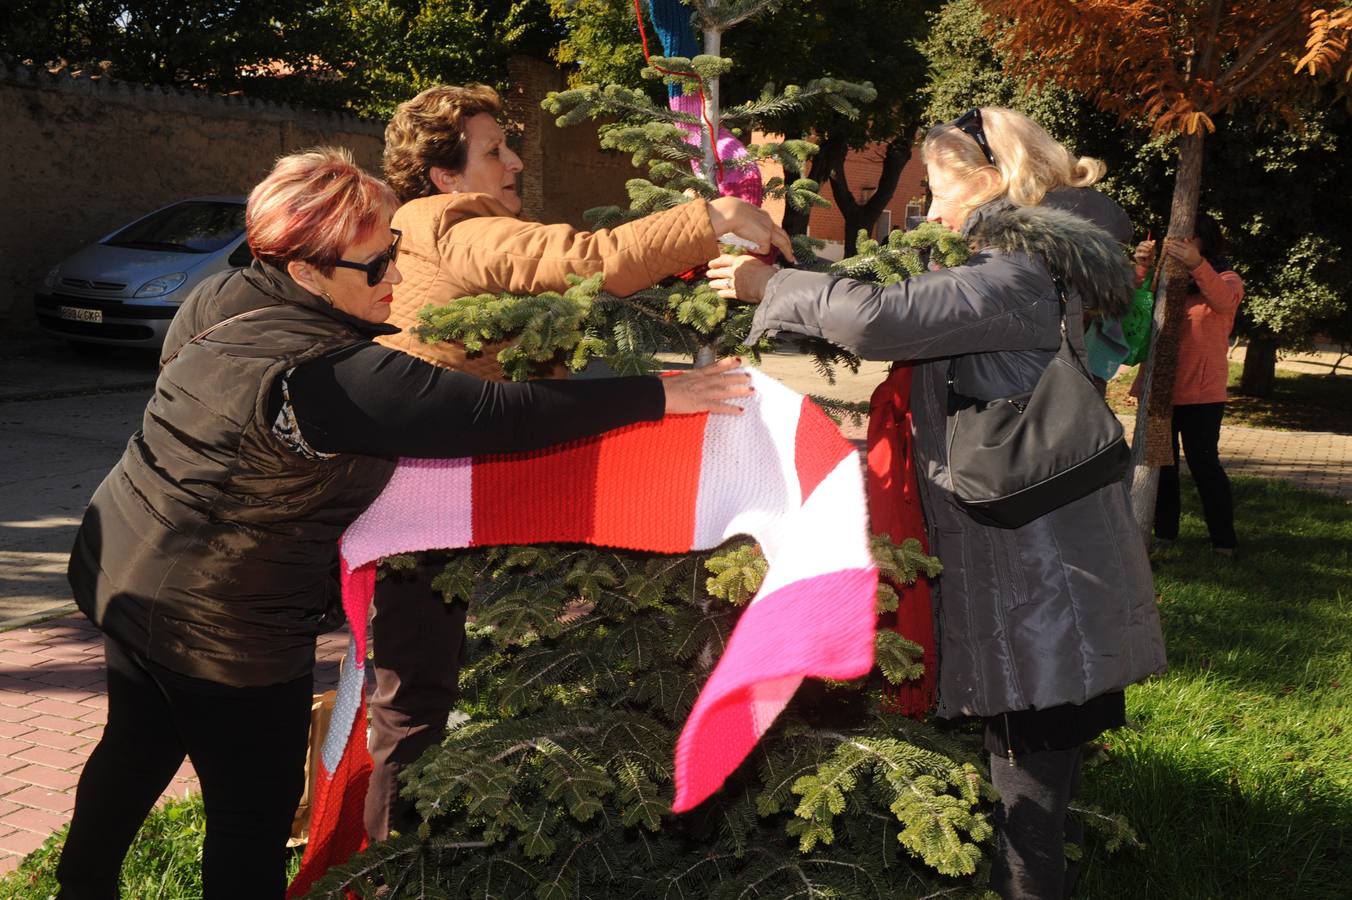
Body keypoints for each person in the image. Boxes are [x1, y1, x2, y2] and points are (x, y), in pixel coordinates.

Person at [55, 148, 751, 900]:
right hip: (227, 626)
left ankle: (79, 889)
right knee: (249, 814)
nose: (396, 274)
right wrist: (663, 395)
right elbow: (498, 414)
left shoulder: (223, 294)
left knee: (136, 745)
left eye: (394, 249)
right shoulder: (331, 375)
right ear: (305, 270)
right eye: (374, 265)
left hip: (122, 564)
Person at [707, 107, 1166, 899]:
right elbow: (896, 297)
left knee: (1028, 808)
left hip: (1043, 580)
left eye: (937, 187)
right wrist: (796, 261)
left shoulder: (1017, 271)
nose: (927, 207)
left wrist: (768, 285)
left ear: (988, 182)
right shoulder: (1014, 260)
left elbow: (879, 317)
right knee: (1036, 786)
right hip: (1044, 564)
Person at [362, 83, 794, 843]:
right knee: (415, 696)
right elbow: (583, 261)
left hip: (442, 480)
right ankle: (396, 865)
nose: (515, 162)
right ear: (444, 175)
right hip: (431, 491)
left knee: (415, 688)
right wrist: (710, 217)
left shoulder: (432, 226)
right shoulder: (454, 223)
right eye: (494, 150)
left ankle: (416, 846)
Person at [1131, 214, 1244, 556]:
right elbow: (1132, 307)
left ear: (1205, 240)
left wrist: (1197, 265)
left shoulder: (1226, 278)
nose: (1177, 243)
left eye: (1187, 237)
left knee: (1204, 465)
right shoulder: (1164, 279)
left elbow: (1224, 301)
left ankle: (1224, 542)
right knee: (1160, 466)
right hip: (1158, 391)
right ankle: (1165, 535)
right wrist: (1142, 267)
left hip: (1202, 393)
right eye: (1174, 236)